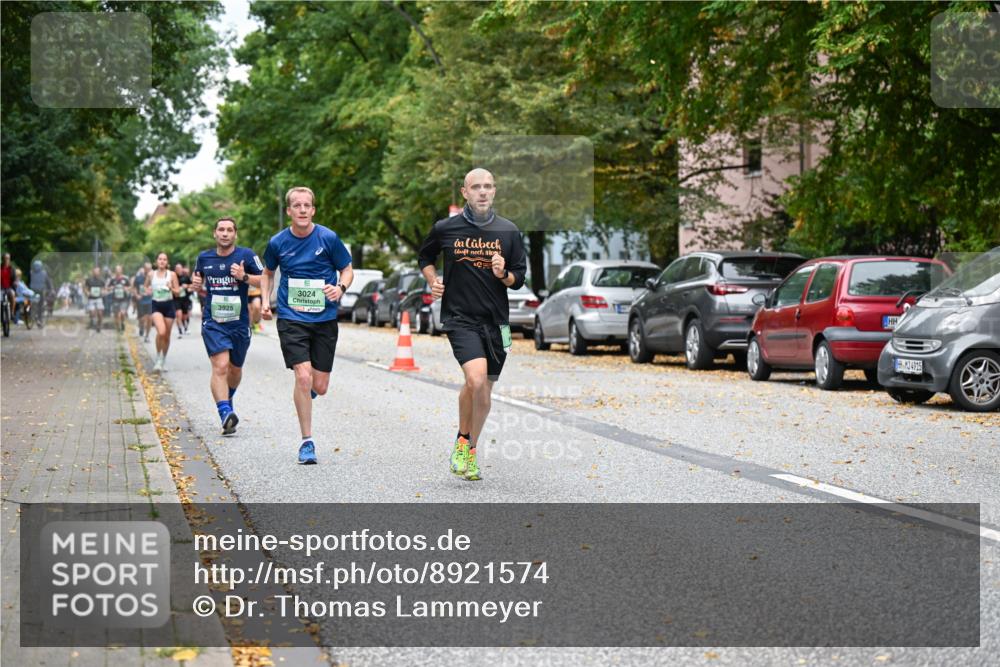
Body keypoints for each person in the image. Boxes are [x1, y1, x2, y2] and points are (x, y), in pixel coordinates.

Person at [418, 168, 527, 482]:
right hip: (460, 319)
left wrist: (503, 274)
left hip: (496, 324)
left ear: (495, 191)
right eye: (476, 187)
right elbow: (425, 257)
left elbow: (519, 279)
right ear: (465, 192)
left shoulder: (508, 231)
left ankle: (469, 448)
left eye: (488, 186)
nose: (483, 192)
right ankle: (464, 441)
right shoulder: (446, 228)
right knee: (476, 380)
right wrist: (432, 280)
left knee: (484, 393)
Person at [261, 186, 353, 465]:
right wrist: (265, 300)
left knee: (319, 386)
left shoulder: (328, 238)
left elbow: (347, 269)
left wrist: (340, 287)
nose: (302, 210)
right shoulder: (278, 242)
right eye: (296, 205)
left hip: (324, 319)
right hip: (292, 318)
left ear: (313, 210)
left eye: (307, 205)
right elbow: (267, 273)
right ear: (289, 211)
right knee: (303, 377)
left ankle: (307, 393)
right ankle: (307, 442)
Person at [190, 218, 264, 435]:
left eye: (229, 230)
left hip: (239, 323)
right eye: (221, 230)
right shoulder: (204, 258)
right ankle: (224, 412)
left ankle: (228, 398)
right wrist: (195, 285)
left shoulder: (246, 255)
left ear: (235, 234)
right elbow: (198, 280)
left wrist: (244, 276)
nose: (224, 233)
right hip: (214, 321)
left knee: (235, 369)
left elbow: (265, 279)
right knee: (220, 366)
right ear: (215, 233)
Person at [145, 253, 179, 371]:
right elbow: (145, 287)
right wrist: (148, 290)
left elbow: (177, 292)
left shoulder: (172, 275)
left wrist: (171, 288)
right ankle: (158, 357)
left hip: (169, 306)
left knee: (167, 336)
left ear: (167, 262)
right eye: (160, 259)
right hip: (156, 306)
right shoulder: (151, 274)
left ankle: (163, 359)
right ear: (156, 261)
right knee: (161, 332)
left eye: (164, 259)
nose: (162, 261)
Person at [107, 265, 131, 333]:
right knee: (116, 315)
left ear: (121, 270)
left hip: (124, 299)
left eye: (119, 270)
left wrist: (126, 288)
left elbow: (130, 287)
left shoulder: (125, 278)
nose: (118, 271)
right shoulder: (112, 279)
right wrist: (110, 288)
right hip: (115, 299)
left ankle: (122, 323)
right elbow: (107, 287)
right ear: (115, 271)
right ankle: (118, 328)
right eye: (116, 270)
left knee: (122, 313)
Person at [84, 266, 107, 332]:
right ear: (93, 272)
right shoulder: (89, 280)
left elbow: (104, 288)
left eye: (97, 271)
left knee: (100, 313)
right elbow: (85, 288)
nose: (96, 272)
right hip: (91, 299)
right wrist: (87, 292)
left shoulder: (102, 280)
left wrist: (103, 292)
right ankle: (92, 320)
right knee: (92, 313)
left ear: (99, 272)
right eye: (95, 271)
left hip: (99, 298)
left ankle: (99, 325)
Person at [134, 262, 153, 342]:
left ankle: (147, 336)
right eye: (147, 269)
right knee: (142, 319)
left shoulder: (154, 277)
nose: (148, 270)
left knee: (149, 318)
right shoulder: (138, 278)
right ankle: (141, 327)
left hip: (150, 300)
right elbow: (134, 288)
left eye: (150, 269)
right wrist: (137, 295)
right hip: (141, 301)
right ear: (144, 269)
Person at [174, 263, 193, 337]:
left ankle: (185, 326)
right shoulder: (173, 277)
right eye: (177, 269)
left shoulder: (186, 277)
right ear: (175, 270)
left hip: (185, 299)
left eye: (180, 268)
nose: (179, 270)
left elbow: (192, 285)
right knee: (178, 314)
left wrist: (187, 286)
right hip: (176, 299)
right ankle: (180, 331)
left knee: (184, 316)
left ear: (182, 269)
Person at [1, 254, 16, 319]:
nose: (6, 260)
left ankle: (12, 313)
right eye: (5, 258)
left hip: (9, 288)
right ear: (2, 259)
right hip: (1, 288)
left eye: (7, 258)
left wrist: (15, 283)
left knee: (12, 295)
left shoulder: (11, 268)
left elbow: (14, 278)